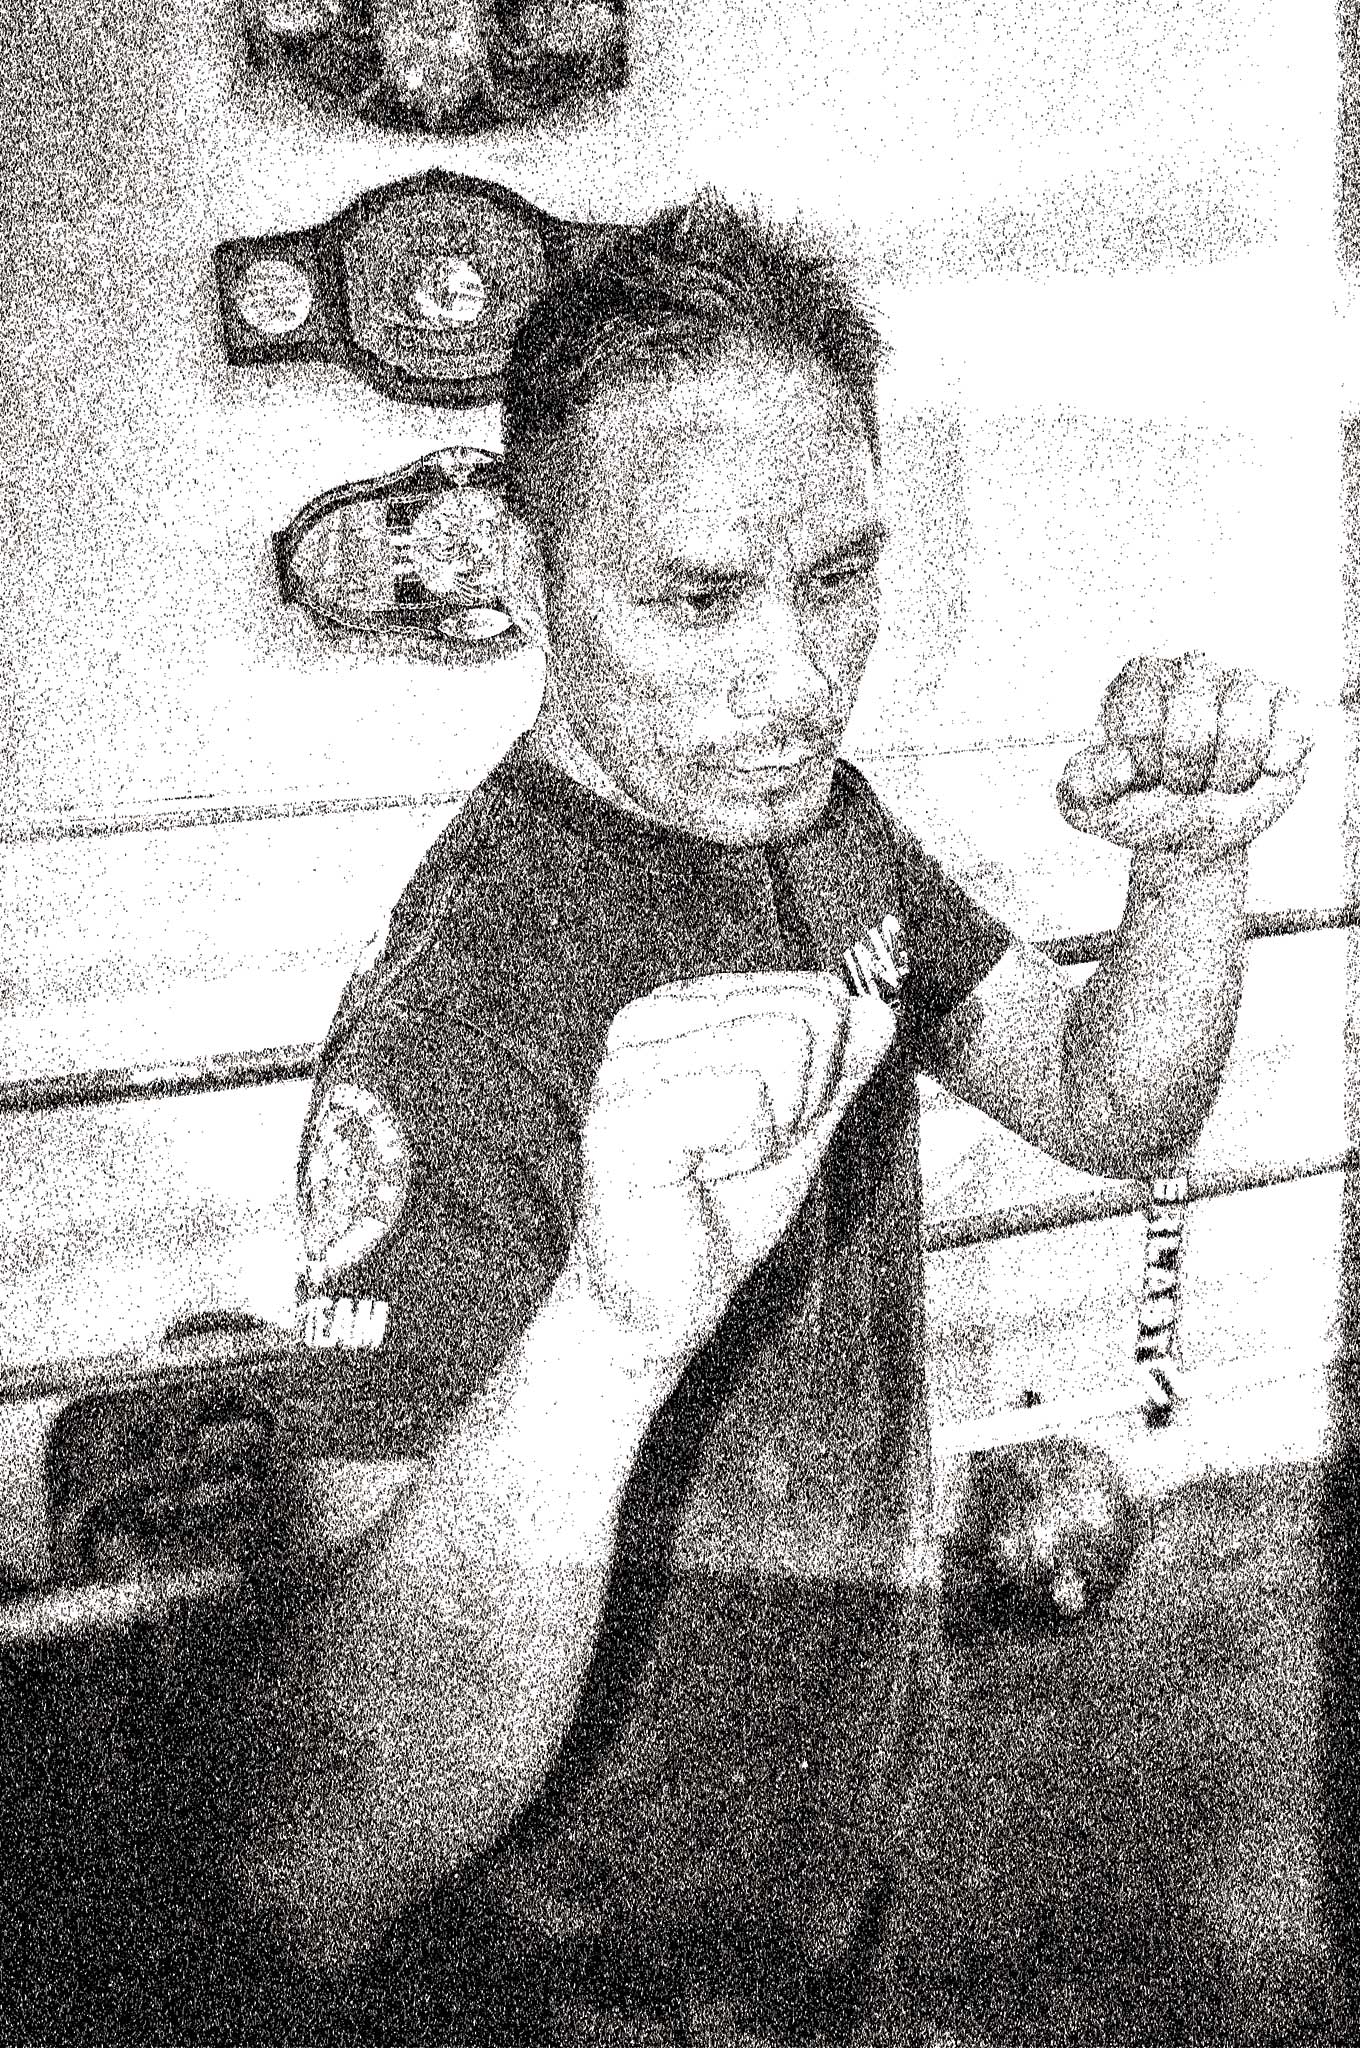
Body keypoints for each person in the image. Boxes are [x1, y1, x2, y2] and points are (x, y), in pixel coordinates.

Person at [226, 195, 1311, 2045]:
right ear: (521, 570)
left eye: (840, 574)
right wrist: (609, 1333)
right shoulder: (467, 1018)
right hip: (579, 1969)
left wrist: (1190, 874)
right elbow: (309, 1863)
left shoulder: (817, 823)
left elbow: (1102, 1103)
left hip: (817, 1842)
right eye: (700, 597)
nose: (801, 681)